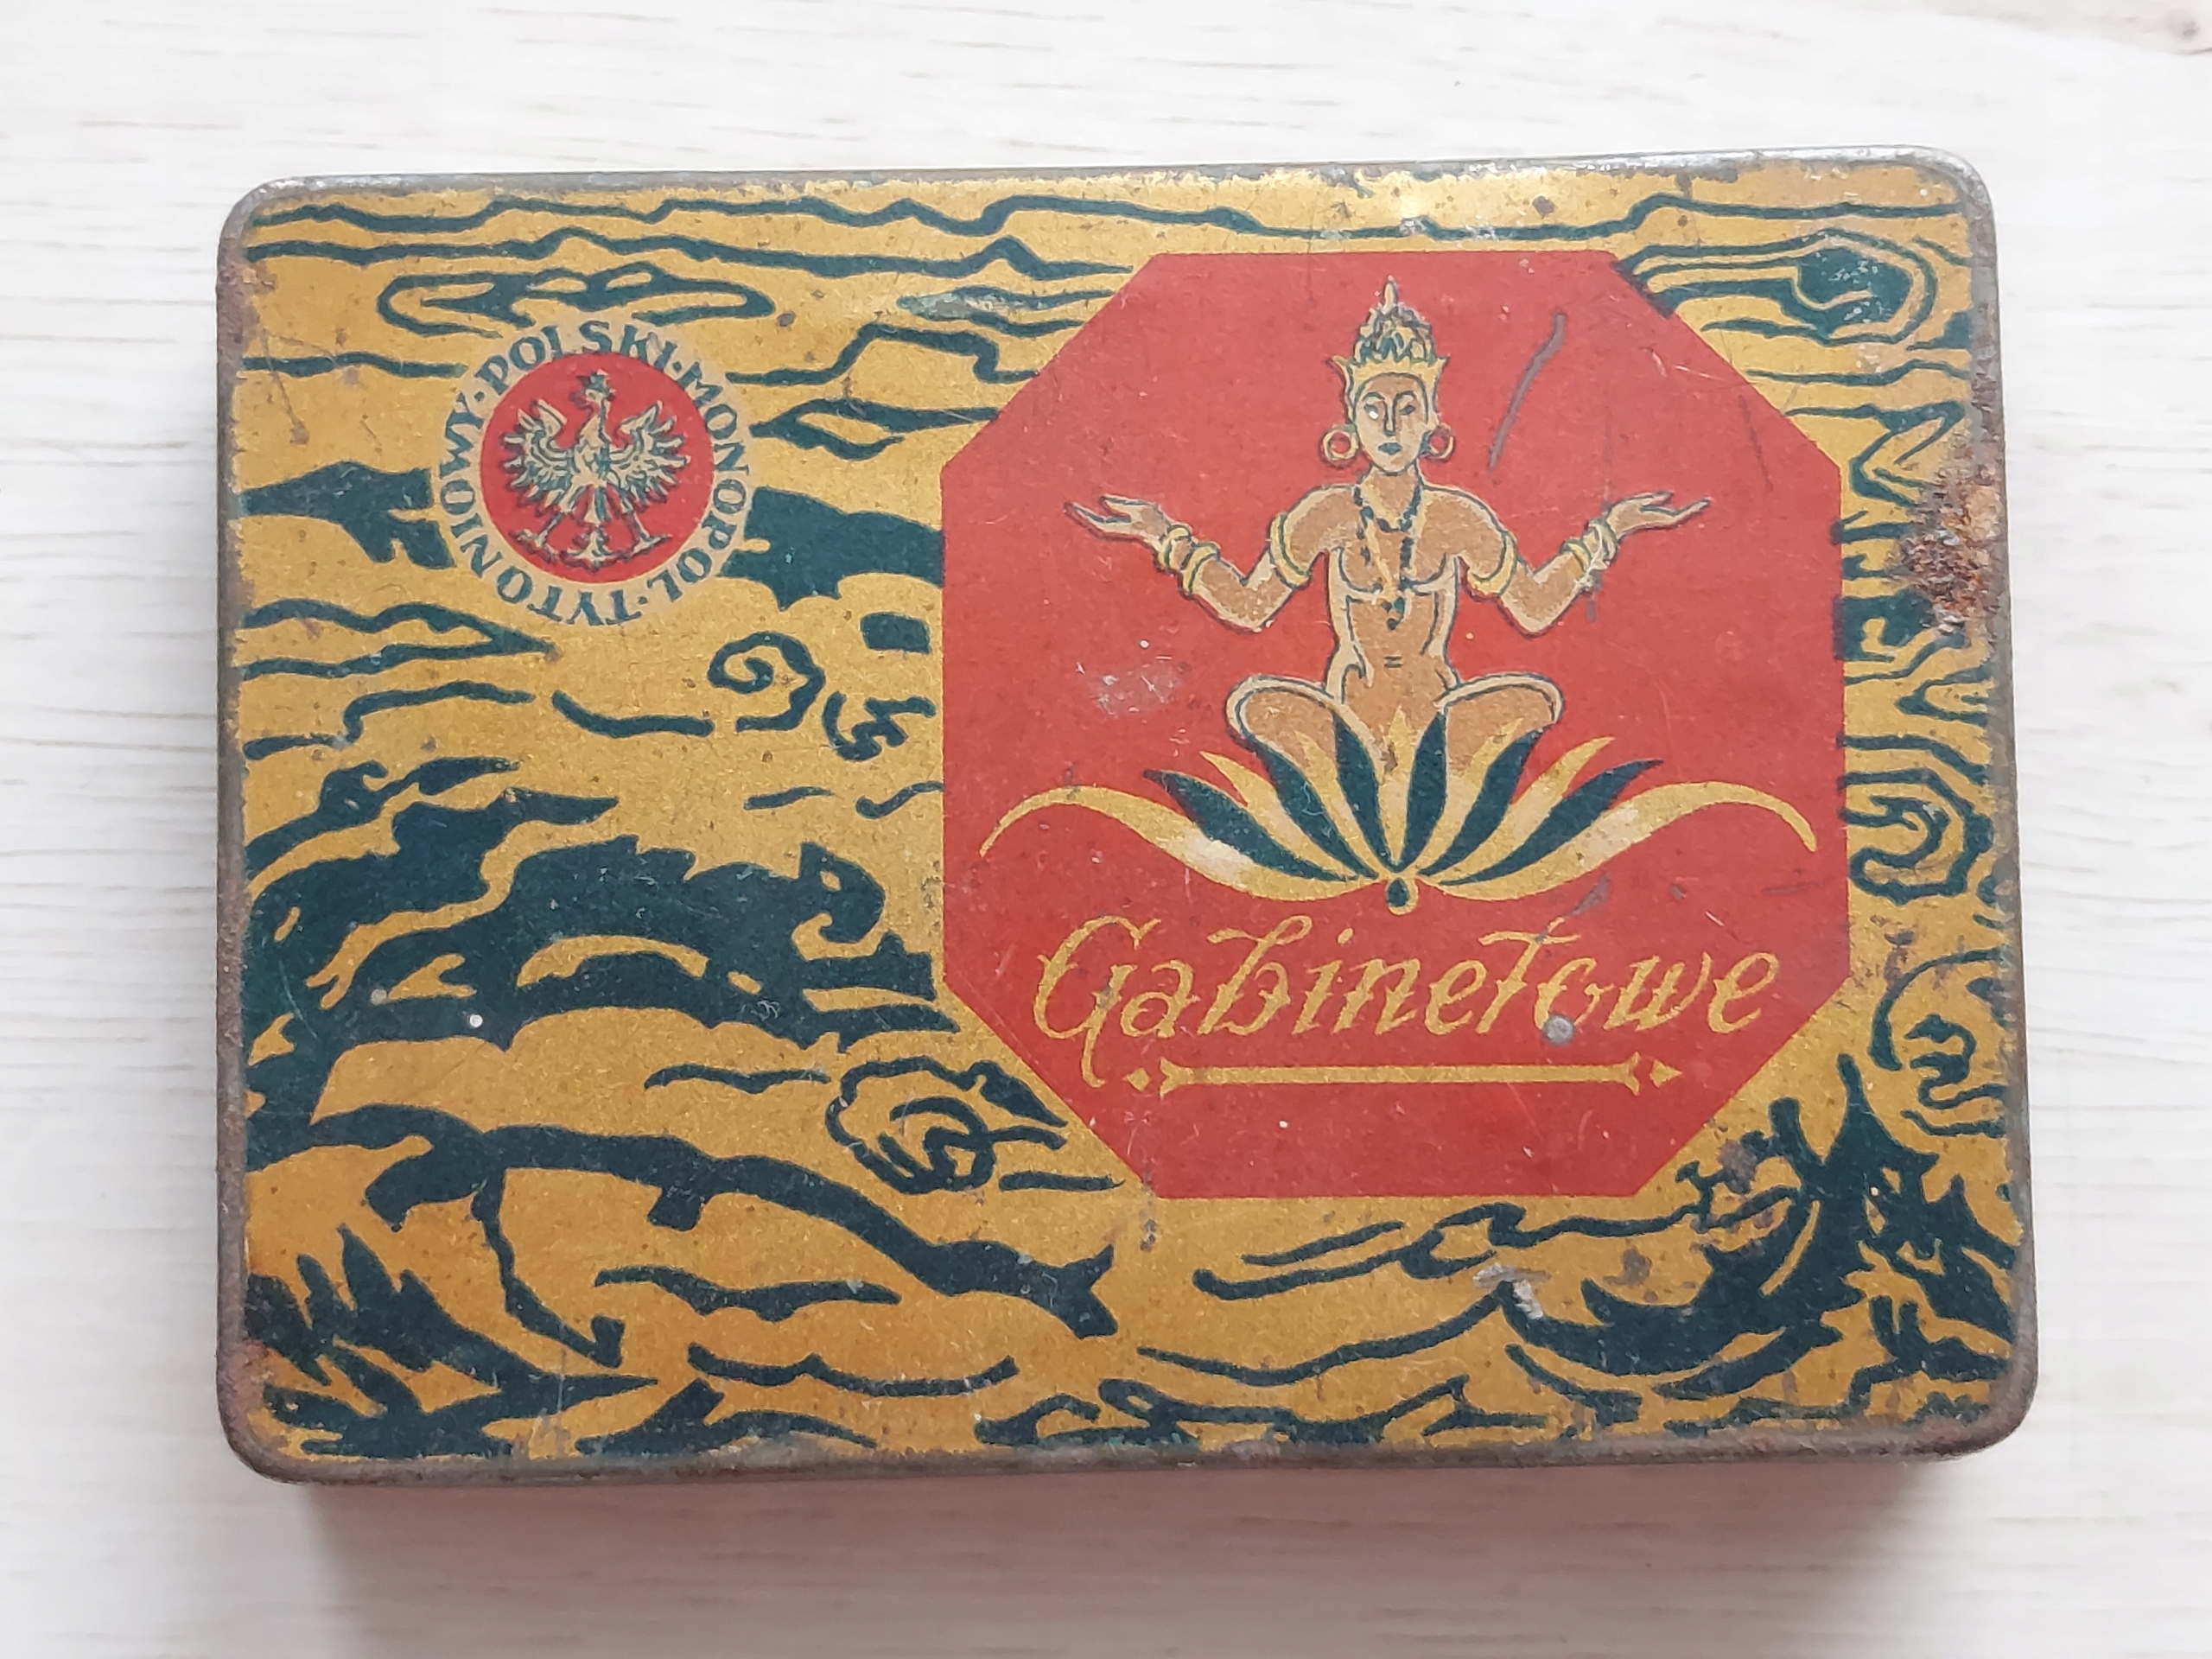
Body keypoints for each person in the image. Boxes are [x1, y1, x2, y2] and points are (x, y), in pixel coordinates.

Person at [1071, 280, 1707, 788]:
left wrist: (1608, 531)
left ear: (1433, 421)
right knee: (1254, 708)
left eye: (1408, 409)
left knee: (1533, 701)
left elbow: (1534, 609)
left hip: (1439, 728)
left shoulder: (1458, 518)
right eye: (1375, 410)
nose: (1392, 427)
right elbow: (1247, 605)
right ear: (1350, 423)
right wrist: (1167, 537)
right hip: (1346, 724)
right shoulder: (1324, 514)